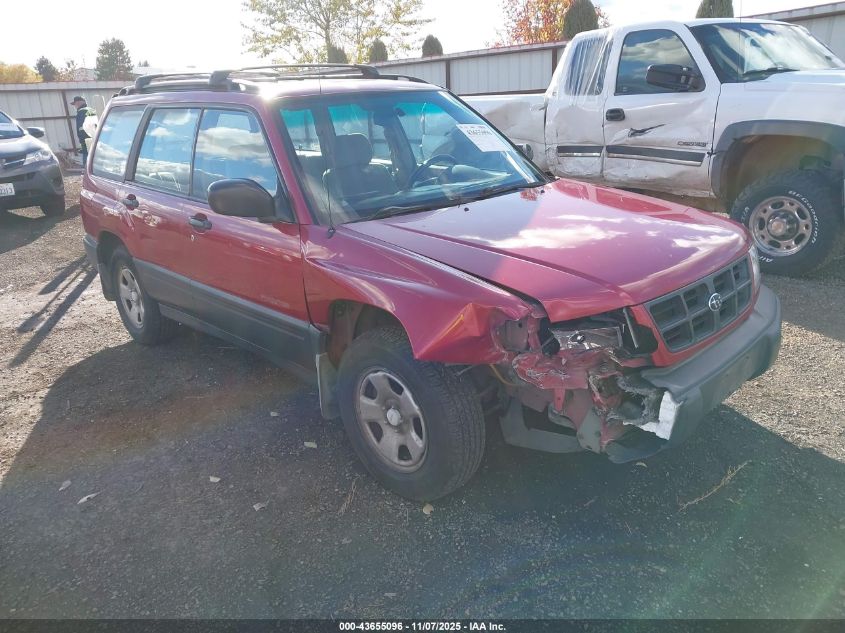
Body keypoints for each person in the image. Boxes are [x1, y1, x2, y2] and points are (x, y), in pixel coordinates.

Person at [70, 96, 96, 167]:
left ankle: (87, 172)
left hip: (87, 140)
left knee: (87, 160)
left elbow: (82, 128)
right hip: (96, 137)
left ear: (78, 103)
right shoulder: (91, 110)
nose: (75, 106)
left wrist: (82, 141)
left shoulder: (81, 112)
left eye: (75, 104)